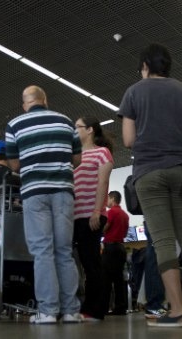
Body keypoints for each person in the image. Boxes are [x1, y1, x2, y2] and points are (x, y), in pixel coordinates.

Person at [119, 43, 182, 327]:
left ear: (145, 66)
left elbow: (128, 140)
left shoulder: (134, 92)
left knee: (163, 242)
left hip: (150, 173)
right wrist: (180, 142)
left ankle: (177, 312)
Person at [4, 85, 82, 324]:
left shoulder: (14, 125)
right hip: (63, 192)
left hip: (34, 193)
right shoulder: (66, 122)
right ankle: (71, 311)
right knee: (64, 251)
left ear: (24, 104)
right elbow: (77, 159)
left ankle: (48, 311)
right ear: (45, 100)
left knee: (42, 252)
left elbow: (14, 165)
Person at [70, 116, 113, 321]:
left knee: (90, 262)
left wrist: (97, 211)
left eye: (77, 127)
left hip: (91, 215)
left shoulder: (102, 153)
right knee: (75, 262)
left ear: (89, 130)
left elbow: (102, 183)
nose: (74, 130)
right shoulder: (74, 156)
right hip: (73, 216)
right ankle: (77, 305)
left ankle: (94, 310)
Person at [102, 190, 130, 317]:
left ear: (112, 198)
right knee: (119, 279)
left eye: (107, 199)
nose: (106, 202)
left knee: (106, 279)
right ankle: (120, 308)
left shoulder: (111, 212)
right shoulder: (125, 215)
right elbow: (125, 233)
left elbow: (105, 228)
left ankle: (104, 308)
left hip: (110, 248)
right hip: (121, 248)